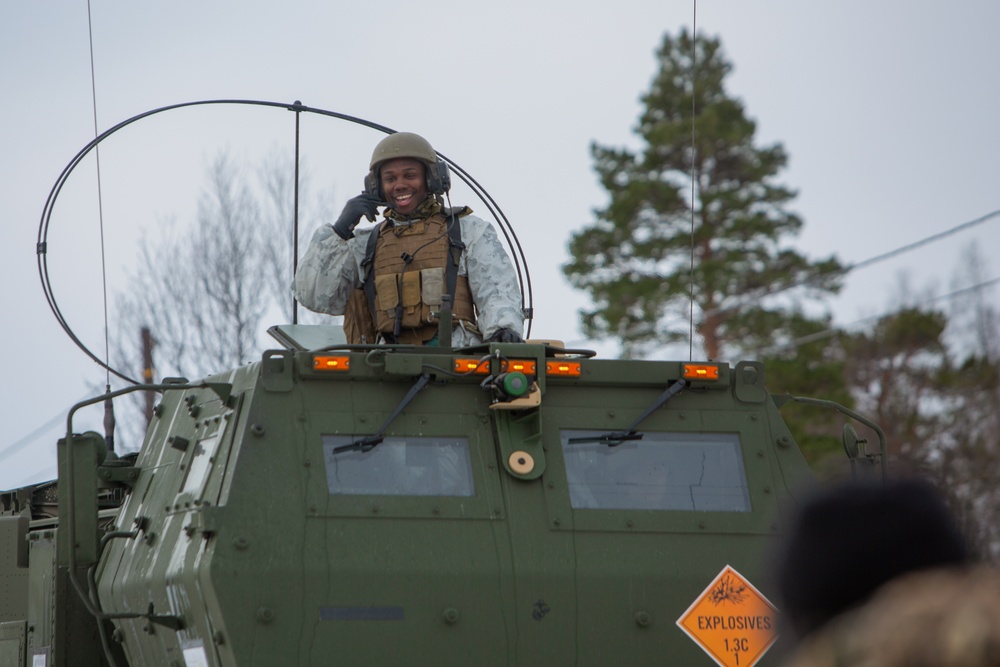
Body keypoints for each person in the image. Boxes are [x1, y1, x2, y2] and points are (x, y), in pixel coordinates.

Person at [294, 132, 524, 346]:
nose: (400, 185)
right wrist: (341, 230)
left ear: (433, 179)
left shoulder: (467, 231)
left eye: (410, 175)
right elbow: (314, 296)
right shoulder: (365, 245)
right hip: (385, 367)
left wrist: (502, 330)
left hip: (457, 363)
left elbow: (497, 292)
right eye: (390, 178)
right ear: (376, 187)